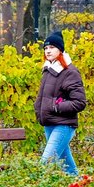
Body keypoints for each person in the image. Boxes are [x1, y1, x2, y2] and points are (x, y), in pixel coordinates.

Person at [34, 31, 86, 176]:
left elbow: (80, 102)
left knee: (45, 163)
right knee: (68, 167)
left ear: (60, 50)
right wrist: (38, 108)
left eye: (52, 47)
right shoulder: (48, 70)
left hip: (64, 125)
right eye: (45, 48)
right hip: (49, 124)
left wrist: (55, 107)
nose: (48, 50)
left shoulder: (70, 72)